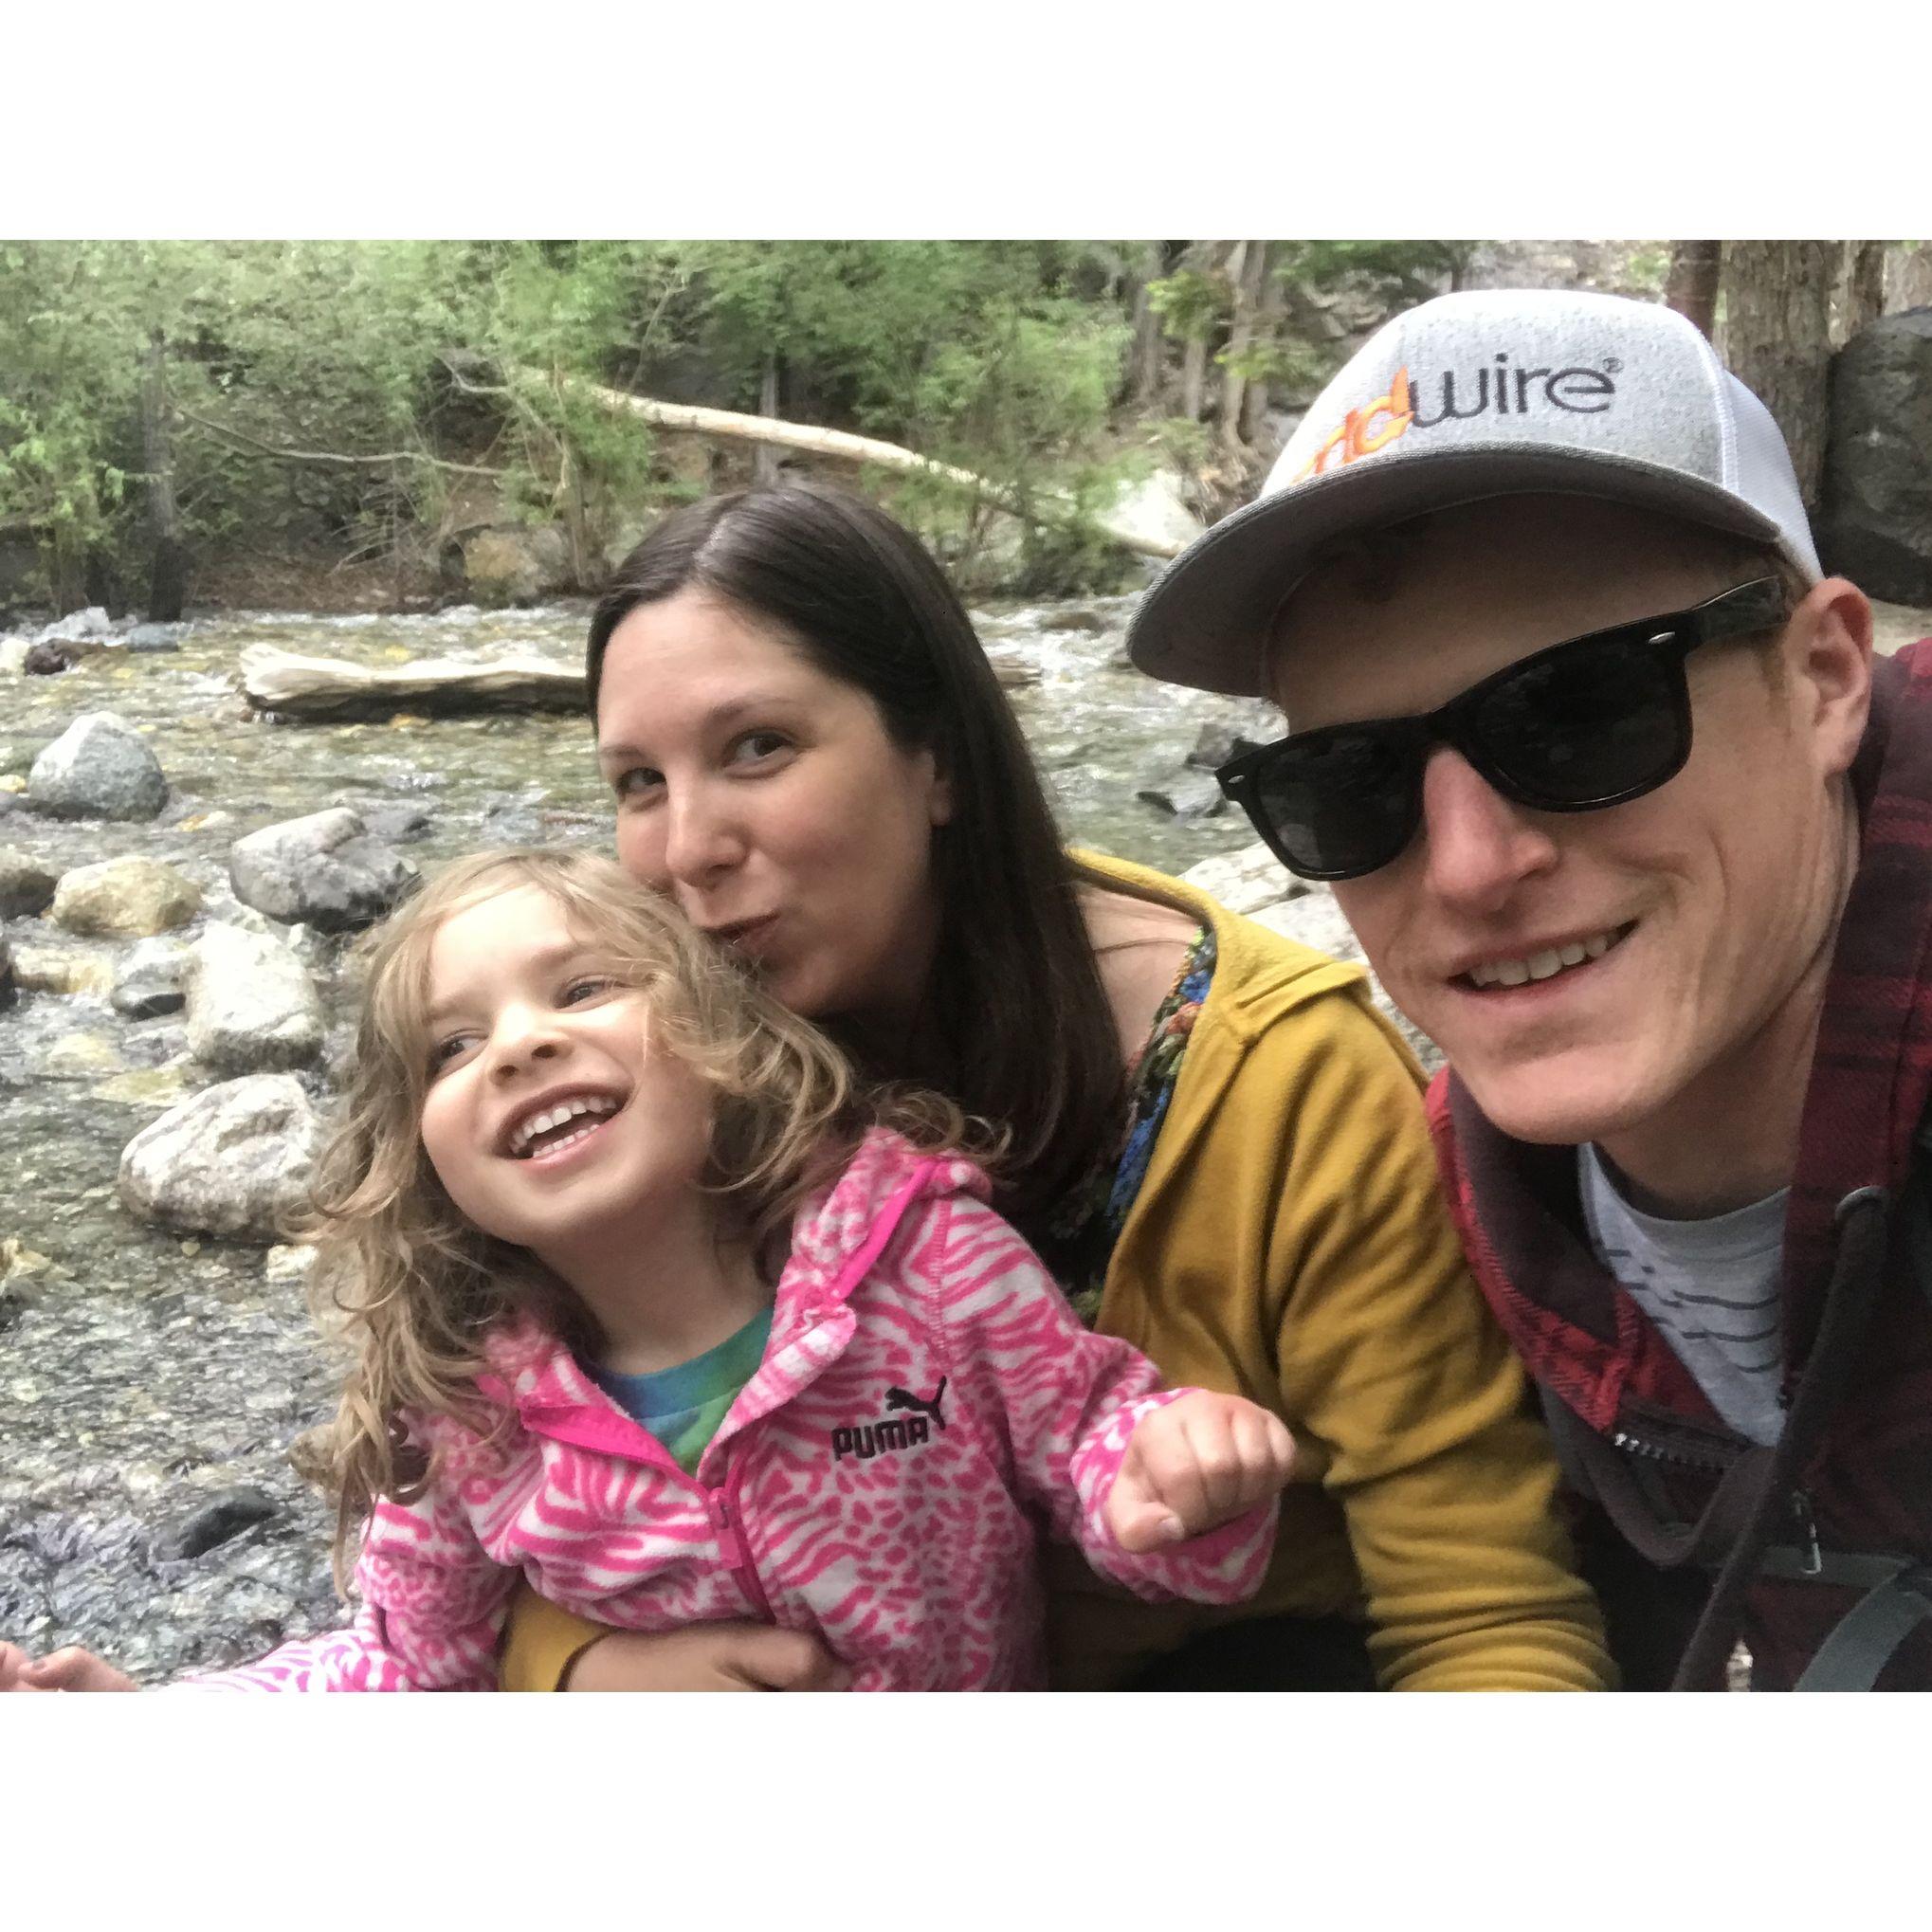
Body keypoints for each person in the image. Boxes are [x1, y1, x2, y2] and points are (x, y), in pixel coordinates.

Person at [498, 480, 1613, 1692]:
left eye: (756, 748)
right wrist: (578, 1670)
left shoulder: (1287, 1087)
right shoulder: (662, 1087)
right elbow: (485, 1493)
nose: (687, 849)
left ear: (938, 759)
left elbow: (1481, 1613)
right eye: (638, 784)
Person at [1127, 284, 1932, 1690]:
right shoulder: (1438, 1197)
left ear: (1822, 677)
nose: (1468, 865)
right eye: (1350, 783)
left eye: (1581, 711)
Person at [0, 848, 1297, 1693]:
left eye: (581, 988)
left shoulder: (925, 1264)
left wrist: (1183, 1485)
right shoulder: (471, 1412)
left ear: (720, 1039)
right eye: (453, 1048)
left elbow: (1097, 1450)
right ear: (424, 1162)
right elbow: (399, 1673)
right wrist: (164, 1717)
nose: (519, 1046)